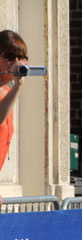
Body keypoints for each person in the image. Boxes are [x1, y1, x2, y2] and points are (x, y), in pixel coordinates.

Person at [0, 30, 28, 176]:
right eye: (10, 57)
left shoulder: (10, 89)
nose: (16, 62)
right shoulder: (12, 89)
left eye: (21, 58)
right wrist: (18, 86)